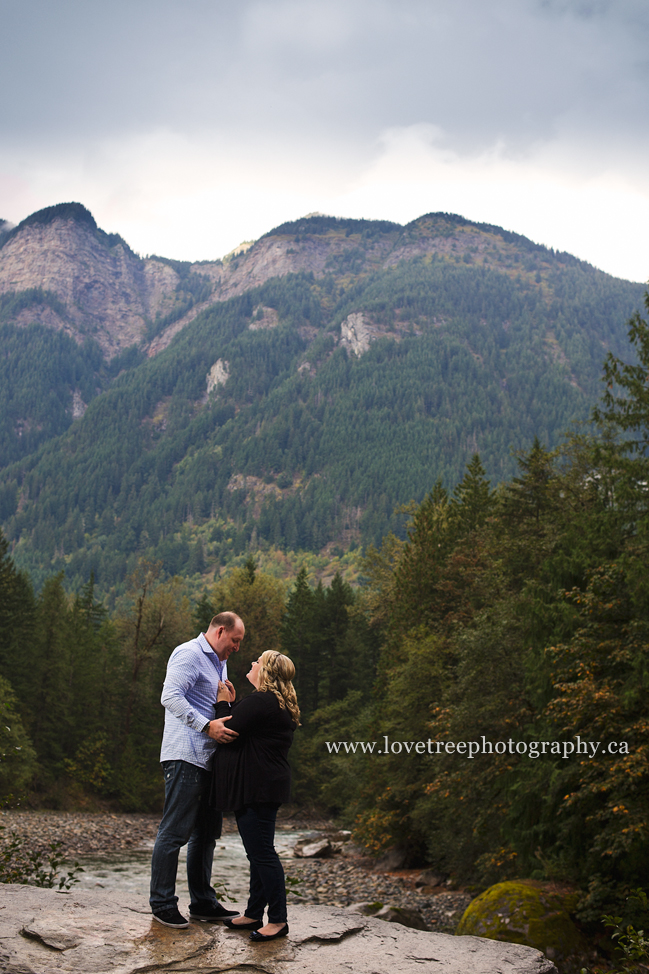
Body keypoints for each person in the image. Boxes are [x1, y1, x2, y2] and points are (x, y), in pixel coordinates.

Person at [149, 612, 245, 929]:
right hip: (185, 756)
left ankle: (203, 902)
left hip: (208, 760)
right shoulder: (189, 653)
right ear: (220, 631)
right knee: (175, 832)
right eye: (235, 640)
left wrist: (226, 702)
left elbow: (209, 704)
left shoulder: (219, 661)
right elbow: (169, 697)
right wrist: (206, 726)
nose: (237, 647)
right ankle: (162, 904)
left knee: (205, 835)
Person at [212, 650, 300, 942]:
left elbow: (225, 726)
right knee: (259, 852)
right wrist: (234, 704)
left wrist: (224, 702)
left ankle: (278, 920)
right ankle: (253, 912)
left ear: (267, 673)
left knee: (262, 853)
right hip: (265, 786)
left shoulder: (262, 701)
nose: (252, 664)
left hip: (257, 788)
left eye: (257, 662)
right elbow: (246, 724)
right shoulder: (271, 703)